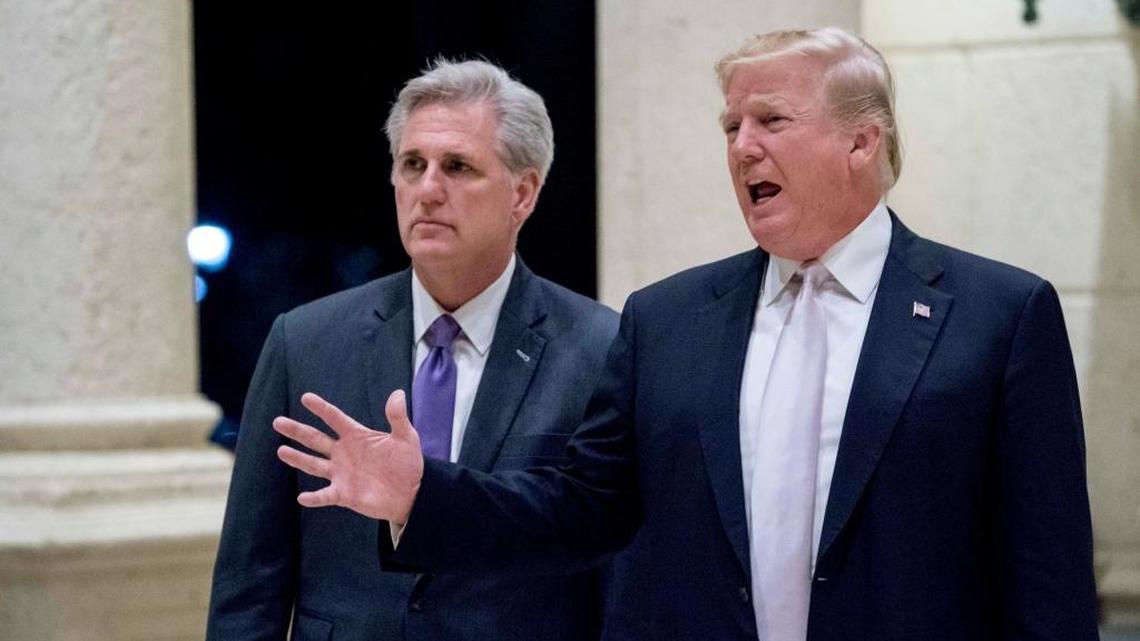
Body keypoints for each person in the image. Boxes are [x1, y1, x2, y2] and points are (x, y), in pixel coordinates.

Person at [273, 28, 1099, 640]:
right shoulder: (667, 320)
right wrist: (428, 495)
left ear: (861, 139)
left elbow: (1047, 578)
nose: (742, 146)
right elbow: (581, 508)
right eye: (730, 126)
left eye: (770, 119)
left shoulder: (998, 315)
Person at [206, 59, 621, 641]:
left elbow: (619, 577)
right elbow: (249, 585)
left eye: (457, 167)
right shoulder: (305, 341)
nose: (428, 190)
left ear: (523, 193)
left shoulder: (601, 348)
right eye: (412, 165)